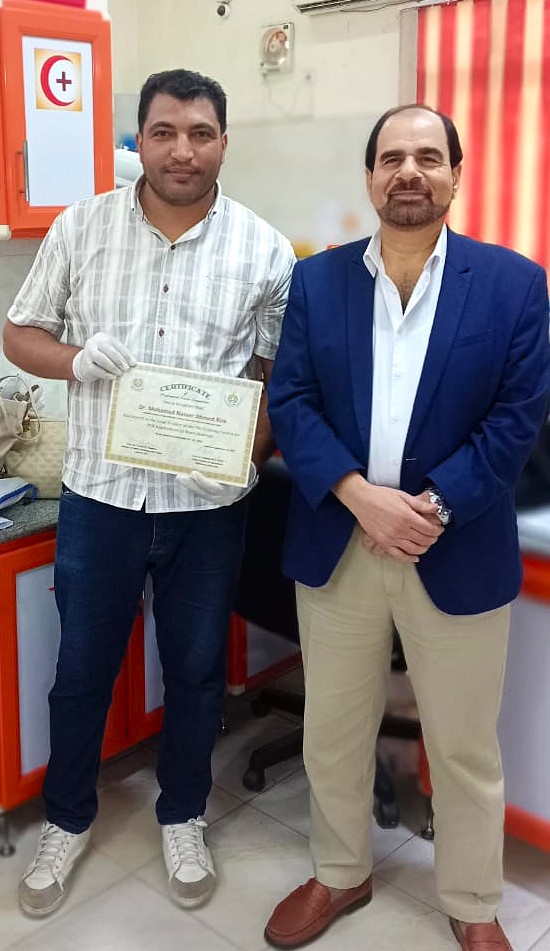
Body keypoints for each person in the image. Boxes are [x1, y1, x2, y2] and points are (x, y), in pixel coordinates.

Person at [3, 68, 294, 918]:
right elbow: (19, 334)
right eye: (164, 132)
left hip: (207, 509)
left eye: (201, 133)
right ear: (141, 139)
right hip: (101, 497)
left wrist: (248, 456)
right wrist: (74, 359)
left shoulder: (265, 249)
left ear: (224, 143)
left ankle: (182, 815)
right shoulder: (81, 226)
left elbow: (276, 375)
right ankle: (66, 819)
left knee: (197, 672)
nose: (182, 150)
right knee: (81, 672)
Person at [264, 104, 550, 951]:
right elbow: (292, 401)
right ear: (370, 177)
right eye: (392, 157)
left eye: (429, 156)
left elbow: (518, 416)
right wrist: (360, 496)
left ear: (457, 174)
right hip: (341, 542)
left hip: (454, 542)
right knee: (333, 731)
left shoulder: (513, 283)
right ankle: (339, 870)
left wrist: (432, 506)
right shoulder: (317, 282)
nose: (410, 171)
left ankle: (472, 899)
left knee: (463, 746)